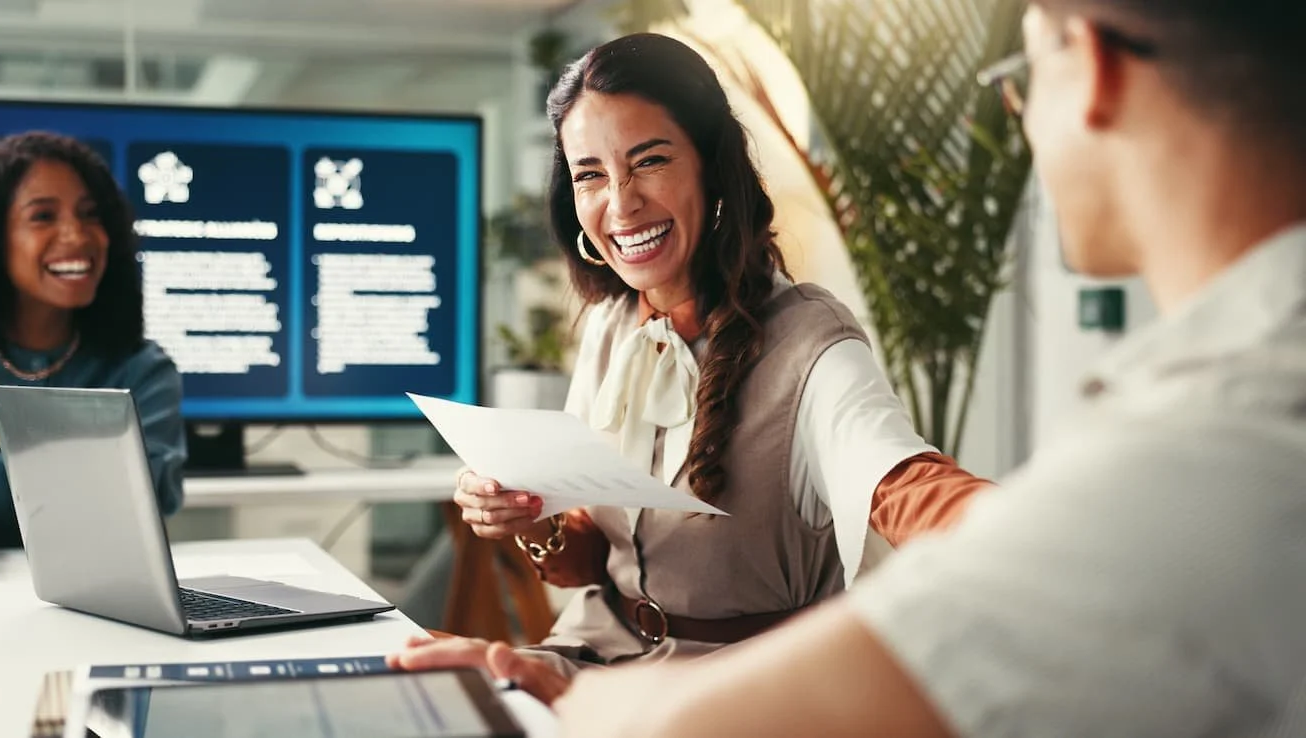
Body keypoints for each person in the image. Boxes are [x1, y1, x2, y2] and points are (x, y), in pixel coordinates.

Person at [547, 1, 1306, 736]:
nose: (619, 201)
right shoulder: (1228, 402)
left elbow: (912, 500)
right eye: (589, 175)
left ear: (1094, 68)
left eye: (1024, 68)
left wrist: (575, 702)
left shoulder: (1215, 438)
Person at [389, 33, 990, 702]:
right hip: (593, 657)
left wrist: (1042, 540)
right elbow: (596, 555)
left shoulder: (812, 341)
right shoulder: (612, 329)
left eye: (648, 162)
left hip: (733, 692)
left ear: (712, 166)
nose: (620, 204)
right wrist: (528, 517)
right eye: (590, 173)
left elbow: (904, 484)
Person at [0, 132, 186, 548]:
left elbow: (145, 508)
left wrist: (11, 440)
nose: (78, 236)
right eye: (43, 216)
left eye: (92, 215)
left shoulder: (142, 370)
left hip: (98, 601)